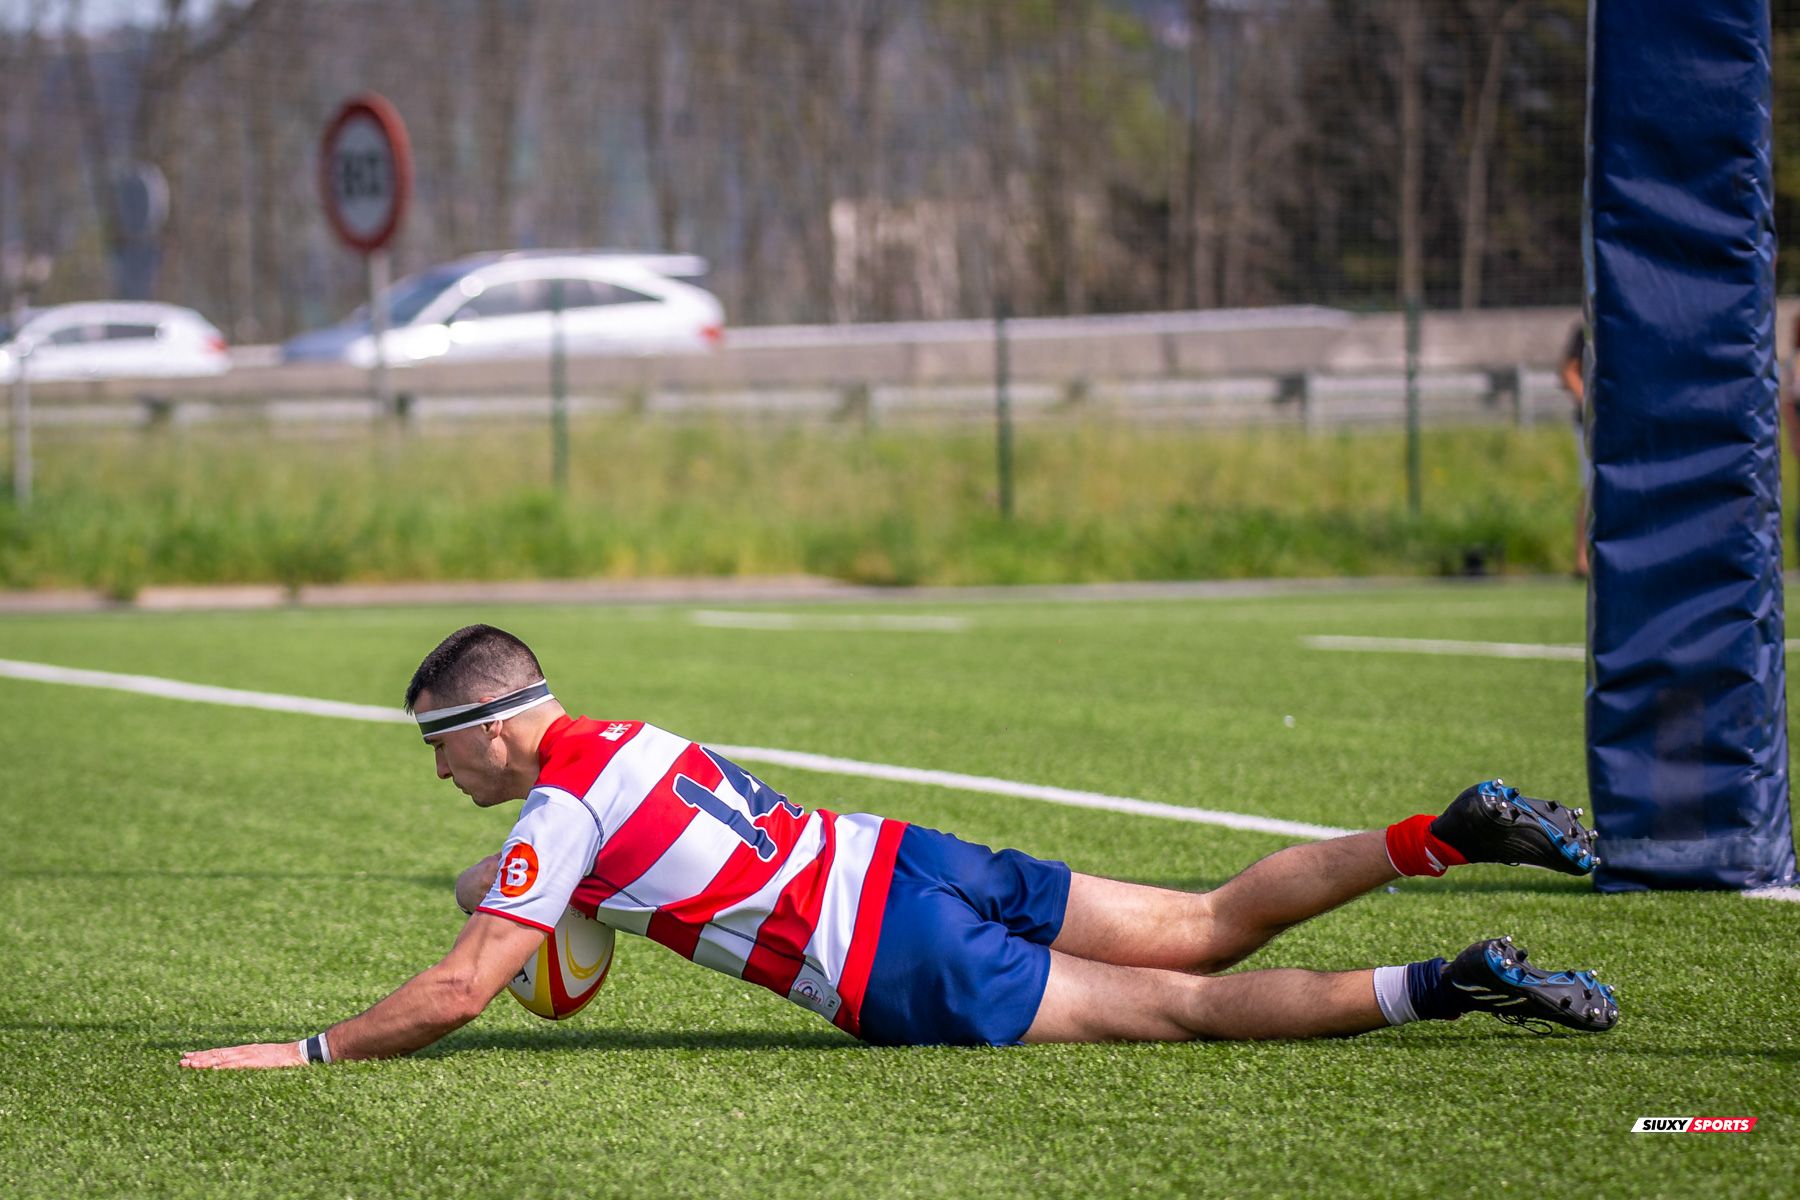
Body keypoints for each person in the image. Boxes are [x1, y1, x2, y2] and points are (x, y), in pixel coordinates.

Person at [180, 624, 1618, 1070]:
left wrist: (299, 1052)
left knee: (1183, 1006)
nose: (432, 765)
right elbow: (583, 894)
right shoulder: (631, 744)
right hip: (907, 860)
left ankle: (1448, 980)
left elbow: (458, 990)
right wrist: (538, 902)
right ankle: (1441, 833)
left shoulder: (557, 816)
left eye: (434, 738)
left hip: (886, 959)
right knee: (1201, 919)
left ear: (495, 724)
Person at [1559, 323, 1591, 578]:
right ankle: (1582, 561)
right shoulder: (1588, 328)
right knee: (1590, 488)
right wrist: (1594, 405)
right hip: (1591, 425)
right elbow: (1569, 372)